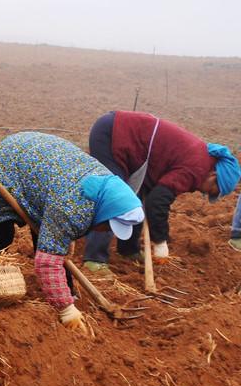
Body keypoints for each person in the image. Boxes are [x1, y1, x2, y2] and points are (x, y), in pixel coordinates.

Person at [0, 132, 145, 335]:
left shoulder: (105, 188)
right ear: (106, 212)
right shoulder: (71, 207)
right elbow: (47, 261)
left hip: (43, 172)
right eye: (109, 226)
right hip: (10, 162)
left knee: (49, 236)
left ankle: (67, 291)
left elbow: (55, 241)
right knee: (1, 234)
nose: (108, 232)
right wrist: (66, 310)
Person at [81, 111, 239, 271]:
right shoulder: (197, 168)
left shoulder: (200, 162)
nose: (204, 193)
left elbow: (149, 198)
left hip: (130, 147)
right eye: (212, 190)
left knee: (135, 199)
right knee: (113, 198)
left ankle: (128, 249)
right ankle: (95, 259)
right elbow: (157, 202)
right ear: (213, 175)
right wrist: (160, 241)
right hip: (113, 135)